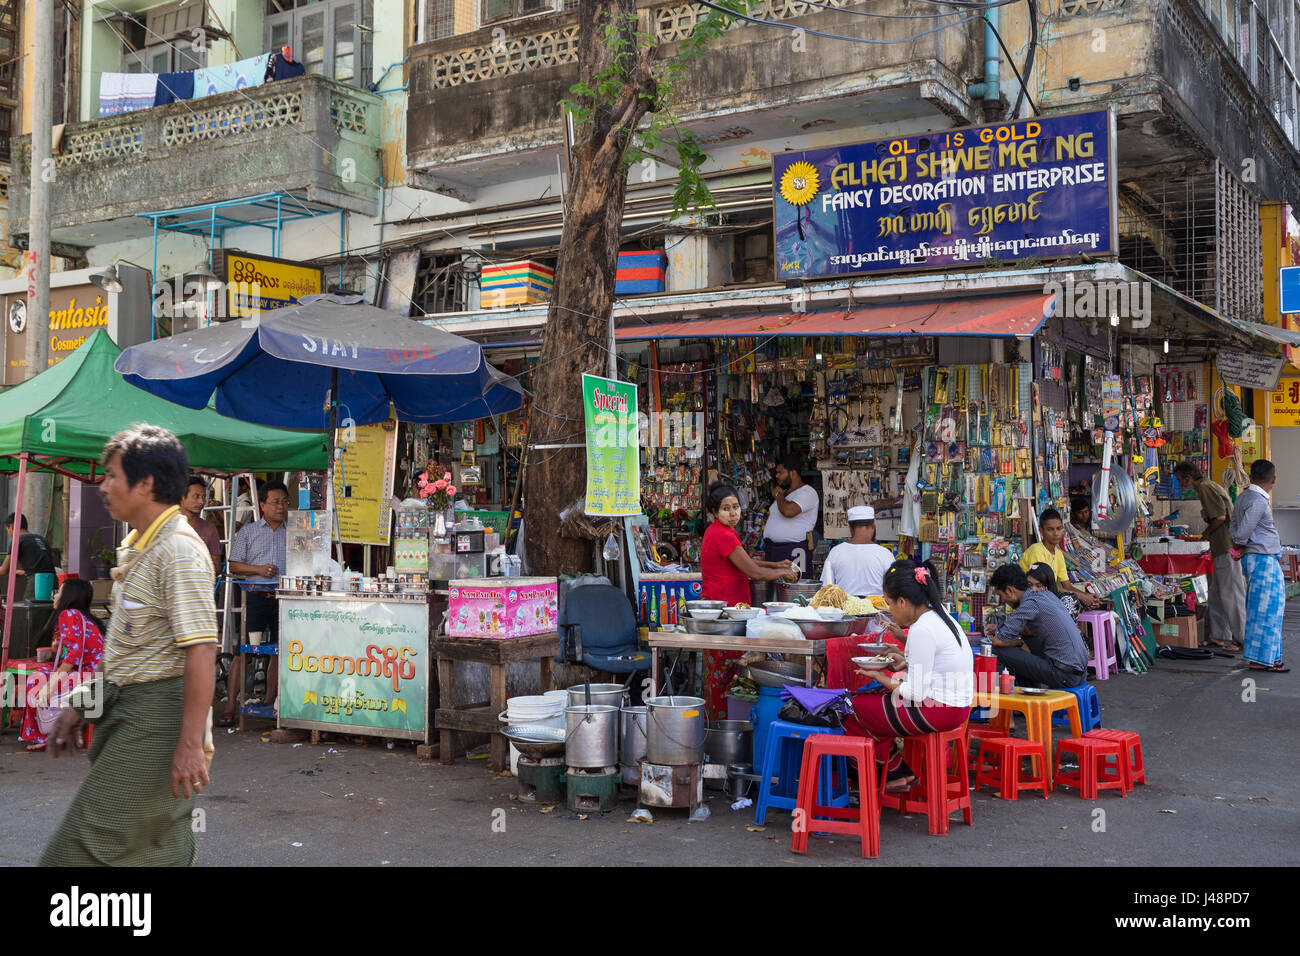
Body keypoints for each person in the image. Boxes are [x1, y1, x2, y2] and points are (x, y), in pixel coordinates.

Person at [42, 424, 218, 866]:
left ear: (146, 484)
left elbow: (202, 650)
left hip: (158, 719)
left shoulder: (179, 551)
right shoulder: (140, 545)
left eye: (112, 476)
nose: (103, 487)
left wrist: (190, 744)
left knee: (82, 849)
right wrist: (81, 705)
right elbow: (127, 652)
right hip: (128, 710)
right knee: (151, 848)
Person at [851, 559, 973, 791]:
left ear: (903, 601)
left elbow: (915, 691)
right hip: (956, 707)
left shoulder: (922, 628)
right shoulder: (940, 616)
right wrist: (903, 663)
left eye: (890, 604)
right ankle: (898, 772)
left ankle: (886, 775)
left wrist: (883, 679)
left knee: (853, 708)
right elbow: (932, 667)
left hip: (939, 709)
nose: (890, 611)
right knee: (870, 702)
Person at [699, 482, 797, 718]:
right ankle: (720, 729)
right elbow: (754, 573)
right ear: (715, 512)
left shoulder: (724, 532)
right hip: (723, 615)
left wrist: (776, 564)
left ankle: (722, 724)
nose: (733, 513)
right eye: (726, 508)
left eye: (735, 507)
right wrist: (782, 572)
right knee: (722, 678)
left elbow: (746, 561)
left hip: (730, 613)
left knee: (724, 676)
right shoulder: (722, 534)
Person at [221, 479, 290, 724]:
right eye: (275, 502)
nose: (280, 507)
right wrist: (258, 569)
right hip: (256, 597)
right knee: (244, 652)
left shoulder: (293, 533)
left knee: (278, 653)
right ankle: (230, 707)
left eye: (284, 502)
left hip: (283, 600)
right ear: (262, 504)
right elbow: (234, 564)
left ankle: (270, 701)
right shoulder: (248, 532)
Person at [19, 578, 105, 751]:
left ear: (69, 596)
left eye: (59, 592)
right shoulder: (86, 618)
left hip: (90, 679)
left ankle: (45, 734)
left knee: (36, 679)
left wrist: (49, 686)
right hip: (99, 676)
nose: (55, 596)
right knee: (44, 673)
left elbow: (73, 654)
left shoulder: (69, 614)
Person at [1174, 461, 1245, 652]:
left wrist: (1207, 531)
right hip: (1221, 547)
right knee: (1215, 594)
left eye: (1180, 479)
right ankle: (1220, 636)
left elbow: (1220, 517)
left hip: (1226, 547)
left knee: (1231, 594)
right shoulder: (1208, 487)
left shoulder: (1205, 487)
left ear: (1188, 477)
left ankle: (1241, 638)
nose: (1179, 483)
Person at [985, 563, 1090, 689]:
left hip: (1064, 675)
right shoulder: (1046, 595)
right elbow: (1028, 630)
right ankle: (1028, 698)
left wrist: (1019, 643)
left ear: (1010, 590)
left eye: (1001, 596)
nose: (1003, 601)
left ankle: (998, 699)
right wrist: (1001, 629)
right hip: (1079, 673)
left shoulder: (1030, 604)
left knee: (996, 649)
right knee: (1027, 643)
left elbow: (998, 640)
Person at [1229, 459, 1288, 673]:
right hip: (1263, 559)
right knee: (1268, 611)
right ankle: (1263, 660)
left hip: (1258, 558)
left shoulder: (1244, 497)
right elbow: (1242, 531)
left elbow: (1234, 524)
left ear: (1251, 476)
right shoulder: (1258, 501)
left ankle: (1268, 658)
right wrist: (1240, 543)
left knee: (1262, 610)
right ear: (1273, 479)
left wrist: (1239, 544)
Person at [1020, 508, 1102, 611]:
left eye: (1059, 529)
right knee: (1069, 601)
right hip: (1028, 600)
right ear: (1041, 531)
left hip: (1044, 598)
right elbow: (1044, 586)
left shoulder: (1058, 553)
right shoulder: (1036, 551)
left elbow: (1067, 585)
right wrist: (1082, 597)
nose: (1056, 533)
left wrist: (1088, 596)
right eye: (1050, 529)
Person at [762, 454, 818, 574]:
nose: (777, 476)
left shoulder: (807, 492)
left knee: (794, 589)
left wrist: (778, 495)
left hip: (794, 551)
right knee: (777, 589)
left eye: (780, 472)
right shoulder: (784, 493)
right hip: (775, 550)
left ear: (792, 473)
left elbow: (788, 511)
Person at [820, 505, 895, 597]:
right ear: (873, 526)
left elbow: (826, 588)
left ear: (850, 528)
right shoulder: (885, 554)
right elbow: (894, 588)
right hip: (877, 609)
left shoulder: (835, 552)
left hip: (844, 609)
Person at [0, 512, 56, 580]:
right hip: (53, 580)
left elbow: (4, 570)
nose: (9, 534)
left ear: (12, 527)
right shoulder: (42, 539)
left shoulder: (17, 540)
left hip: (37, 582)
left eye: (7, 530)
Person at [181, 474, 222, 569]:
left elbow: (217, 567)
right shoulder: (167, 526)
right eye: (196, 496)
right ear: (182, 497)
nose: (201, 502)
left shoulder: (209, 529)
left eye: (204, 497)